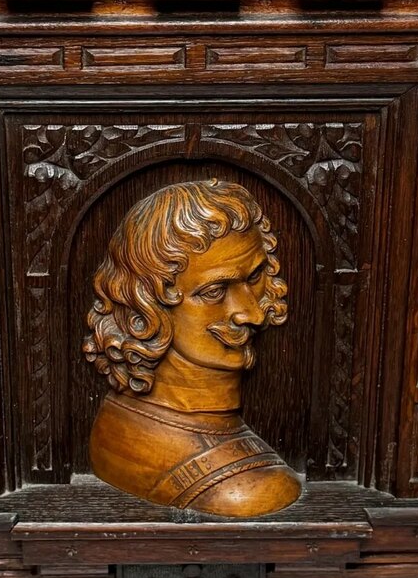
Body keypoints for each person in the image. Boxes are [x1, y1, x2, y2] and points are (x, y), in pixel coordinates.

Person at [83, 178, 301, 516]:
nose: (254, 313)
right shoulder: (132, 436)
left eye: (255, 277)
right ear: (147, 306)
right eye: (214, 291)